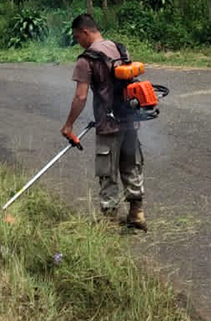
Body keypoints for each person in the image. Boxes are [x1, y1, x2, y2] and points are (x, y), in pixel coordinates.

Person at [61, 13, 147, 231]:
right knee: (131, 165)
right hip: (130, 118)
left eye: (77, 36)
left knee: (107, 171)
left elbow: (80, 97)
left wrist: (68, 125)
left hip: (108, 125)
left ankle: (109, 220)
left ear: (85, 32)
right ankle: (137, 213)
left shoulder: (86, 59)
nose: (77, 41)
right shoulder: (120, 48)